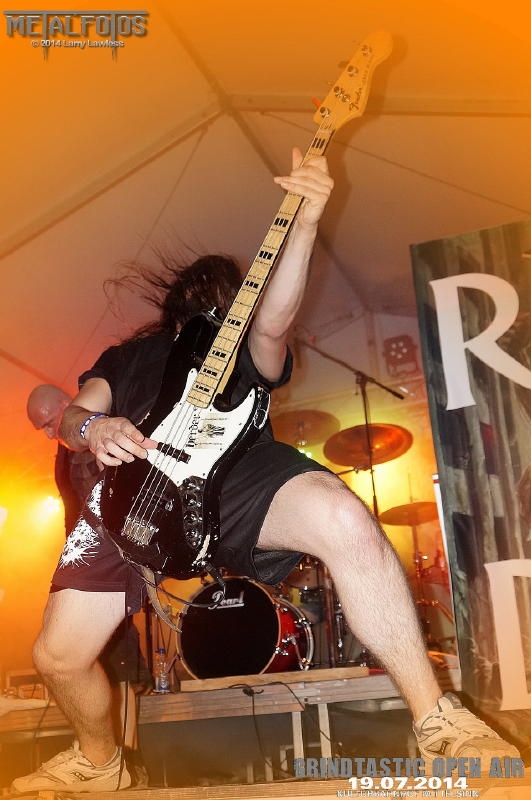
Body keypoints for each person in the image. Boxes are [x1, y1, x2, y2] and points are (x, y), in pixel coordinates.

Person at [14, 149, 519, 793]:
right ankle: (98, 762)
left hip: (232, 478)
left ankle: (438, 721)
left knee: (343, 516)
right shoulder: (127, 356)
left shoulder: (244, 342)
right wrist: (93, 429)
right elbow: (72, 416)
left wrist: (304, 223)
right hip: (124, 499)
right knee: (57, 657)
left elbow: (275, 323)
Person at [26, 384, 150, 787]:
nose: (49, 432)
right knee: (98, 660)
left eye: (49, 422)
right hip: (89, 564)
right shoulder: (65, 451)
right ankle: (107, 759)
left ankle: (125, 762)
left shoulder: (98, 435)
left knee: (119, 659)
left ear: (67, 405)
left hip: (113, 559)